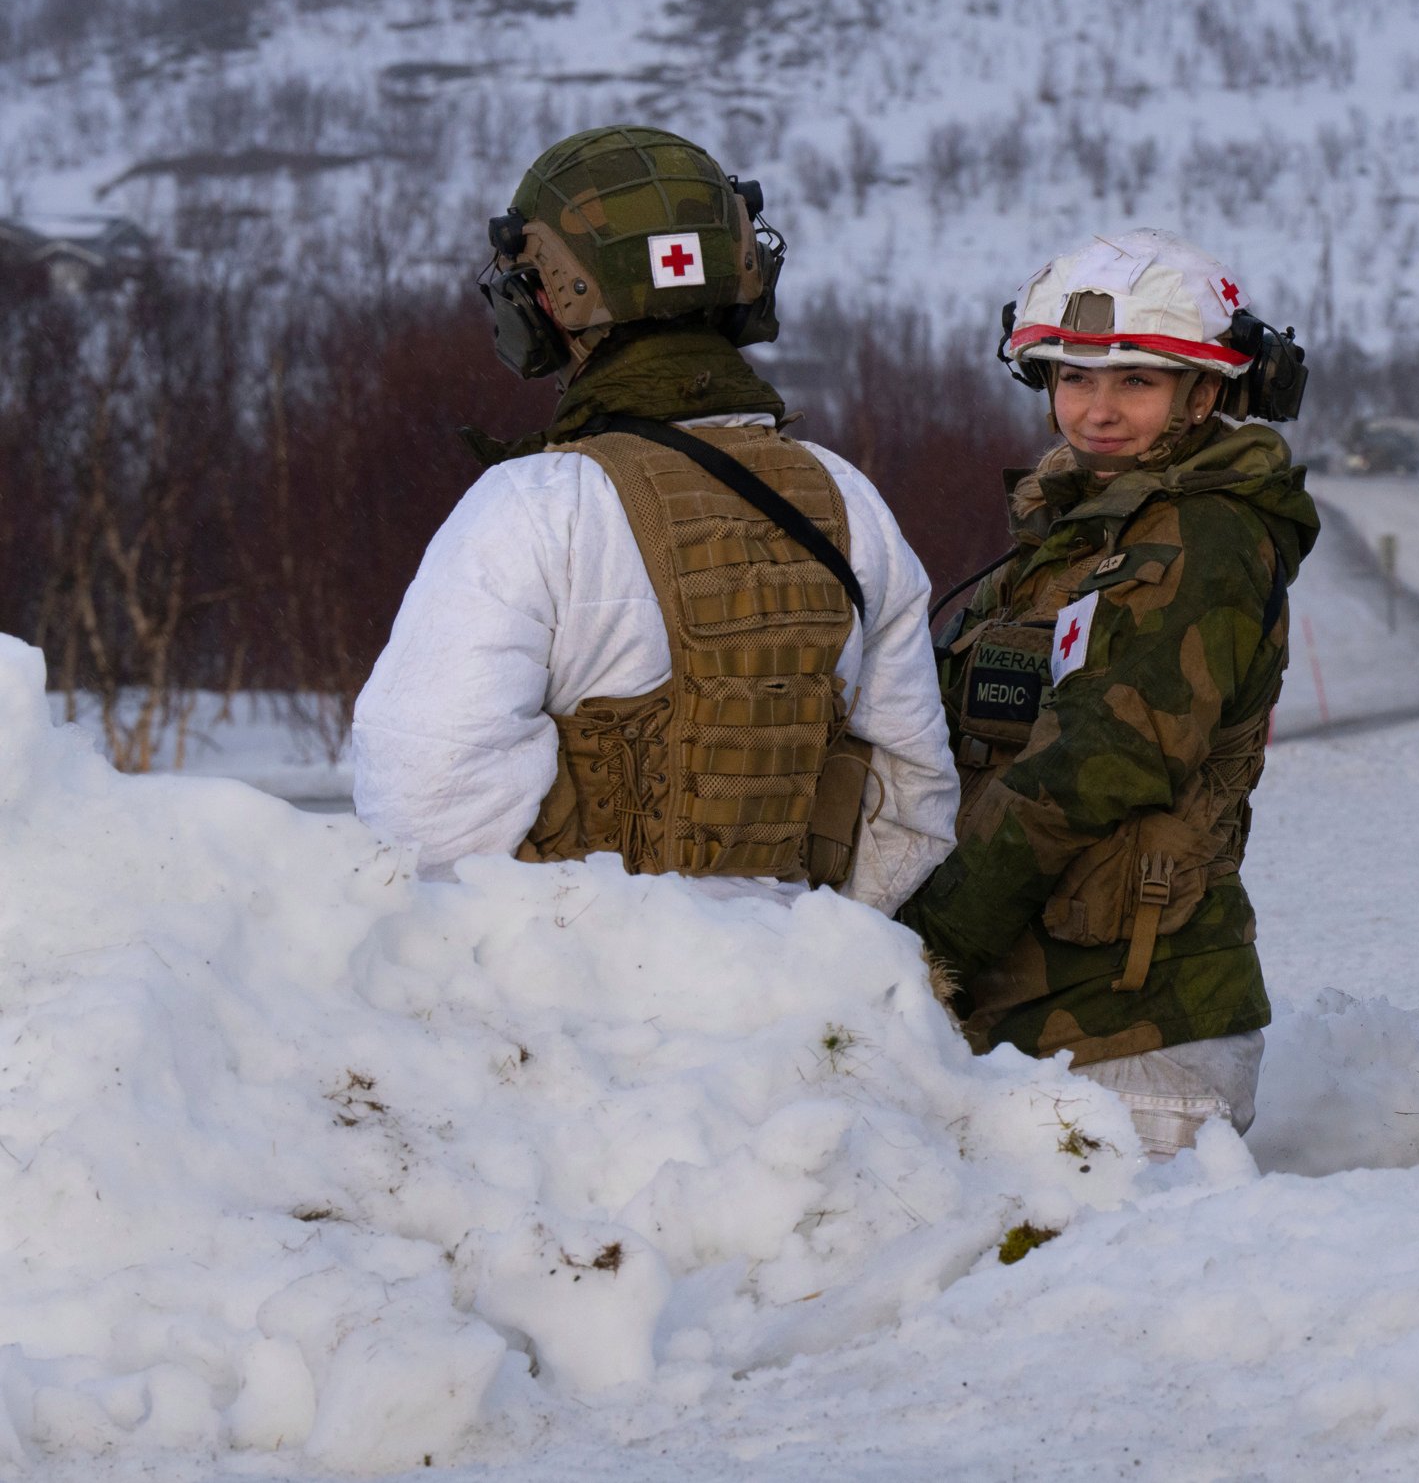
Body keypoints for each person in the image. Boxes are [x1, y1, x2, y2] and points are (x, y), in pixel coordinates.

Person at [354, 125, 956, 908]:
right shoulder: (849, 498)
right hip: (795, 971)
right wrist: (810, 949)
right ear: (746, 273)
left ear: (546, 300)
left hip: (578, 976)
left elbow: (423, 798)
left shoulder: (530, 507)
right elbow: (913, 798)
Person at [899, 229, 1318, 1159]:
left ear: (1202, 392)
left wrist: (925, 945)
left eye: (1136, 380)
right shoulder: (1080, 533)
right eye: (1075, 377)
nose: (1098, 410)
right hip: (1051, 1026)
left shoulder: (1200, 537)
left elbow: (1098, 760)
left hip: (1133, 1042)